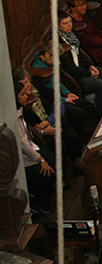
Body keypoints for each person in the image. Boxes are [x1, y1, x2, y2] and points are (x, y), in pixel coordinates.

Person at [57, 11, 102, 111]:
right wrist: (89, 73)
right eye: (65, 23)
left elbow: (80, 54)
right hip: (75, 77)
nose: (69, 25)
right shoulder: (60, 44)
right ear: (58, 26)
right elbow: (70, 68)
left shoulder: (71, 36)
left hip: (83, 68)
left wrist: (90, 66)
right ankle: (100, 112)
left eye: (70, 21)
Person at [15, 81, 57, 214]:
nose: (27, 95)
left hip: (31, 147)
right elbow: (22, 143)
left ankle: (47, 192)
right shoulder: (12, 116)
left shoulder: (22, 109)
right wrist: (40, 160)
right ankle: (38, 202)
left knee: (54, 160)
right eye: (22, 94)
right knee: (46, 174)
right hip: (21, 157)